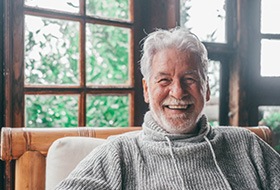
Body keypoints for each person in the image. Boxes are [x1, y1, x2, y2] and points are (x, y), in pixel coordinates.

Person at [55, 27, 280, 190]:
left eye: (190, 79)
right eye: (164, 80)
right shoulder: (119, 153)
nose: (178, 92)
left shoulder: (247, 145)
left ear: (207, 88)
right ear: (146, 89)